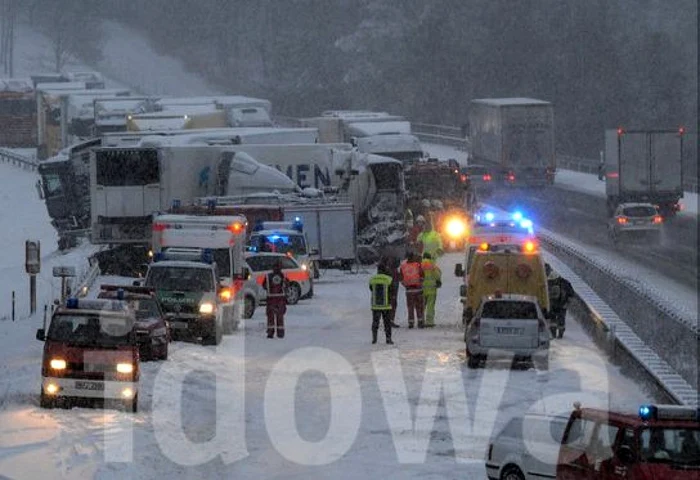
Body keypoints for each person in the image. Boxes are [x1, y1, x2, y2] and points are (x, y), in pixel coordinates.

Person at [545, 263, 575, 338]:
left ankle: (553, 333)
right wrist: (568, 302)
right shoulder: (565, 283)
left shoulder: (548, 282)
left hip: (552, 304)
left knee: (552, 319)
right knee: (561, 319)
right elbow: (571, 293)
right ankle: (560, 334)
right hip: (562, 304)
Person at [262, 260, 289, 338]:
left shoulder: (268, 277)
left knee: (270, 316)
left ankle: (270, 332)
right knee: (280, 316)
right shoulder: (283, 276)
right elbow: (286, 286)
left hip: (271, 299)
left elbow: (264, 286)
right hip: (280, 299)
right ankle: (280, 333)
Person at [369, 264, 394, 345]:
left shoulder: (372, 279)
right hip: (386, 305)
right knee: (387, 323)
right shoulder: (388, 279)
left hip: (375, 305)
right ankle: (388, 338)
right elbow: (392, 290)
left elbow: (371, 289)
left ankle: (374, 339)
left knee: (375, 322)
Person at [399, 252, 424, 328]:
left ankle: (411, 322)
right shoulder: (417, 265)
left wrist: (406, 284)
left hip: (409, 290)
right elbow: (422, 276)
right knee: (419, 307)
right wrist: (420, 283)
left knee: (410, 307)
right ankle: (420, 322)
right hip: (418, 289)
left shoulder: (403, 266)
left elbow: (401, 278)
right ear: (413, 257)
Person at [421, 252, 442, 327]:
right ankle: (429, 322)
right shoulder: (432, 265)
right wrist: (438, 281)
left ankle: (421, 320)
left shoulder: (419, 264)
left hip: (421, 288)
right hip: (431, 288)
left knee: (422, 306)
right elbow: (437, 275)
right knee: (430, 306)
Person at [380, 256, 401, 328]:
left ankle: (388, 320)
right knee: (392, 305)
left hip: (387, 291)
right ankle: (390, 321)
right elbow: (400, 278)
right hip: (392, 292)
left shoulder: (386, 270)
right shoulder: (394, 272)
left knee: (388, 305)